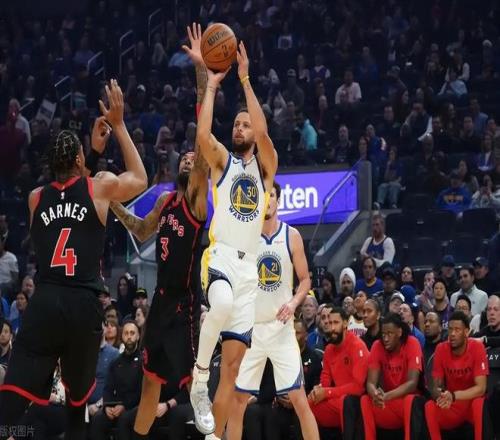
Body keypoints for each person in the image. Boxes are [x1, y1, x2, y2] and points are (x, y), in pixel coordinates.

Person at [0, 79, 147, 440]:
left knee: (11, 405)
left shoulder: (35, 198)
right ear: (80, 160)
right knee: (76, 407)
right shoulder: (99, 186)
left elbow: (67, 193)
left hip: (46, 302)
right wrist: (118, 125)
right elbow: (139, 178)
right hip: (83, 305)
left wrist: (88, 156)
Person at [110, 23, 210, 440]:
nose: (188, 158)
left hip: (186, 301)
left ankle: (210, 424)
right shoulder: (166, 202)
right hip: (160, 302)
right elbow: (139, 229)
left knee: (193, 382)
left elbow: (202, 134)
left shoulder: (196, 200)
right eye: (183, 157)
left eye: (192, 158)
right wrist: (112, 204)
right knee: (150, 383)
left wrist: (201, 69)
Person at [191, 40, 278, 439]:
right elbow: (203, 133)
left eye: (245, 125)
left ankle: (214, 436)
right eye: (237, 124)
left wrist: (244, 79)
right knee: (221, 303)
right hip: (221, 257)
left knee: (232, 371)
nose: (240, 128)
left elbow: (264, 132)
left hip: (250, 272)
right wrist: (211, 85)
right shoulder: (222, 161)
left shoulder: (266, 168)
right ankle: (198, 375)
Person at [227, 181, 319, 440]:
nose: (267, 200)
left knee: (299, 398)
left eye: (271, 195)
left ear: (278, 200)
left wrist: (293, 303)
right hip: (252, 329)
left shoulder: (291, 236)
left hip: (281, 329)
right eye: (262, 196)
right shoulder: (245, 238)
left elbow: (305, 280)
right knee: (238, 401)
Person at [425, 311, 492, 440]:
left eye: (457, 330)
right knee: (430, 406)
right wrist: (440, 396)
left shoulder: (477, 347)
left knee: (479, 404)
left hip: (471, 403)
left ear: (466, 332)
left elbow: (481, 388)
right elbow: (436, 385)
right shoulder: (441, 349)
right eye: (450, 329)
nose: (452, 334)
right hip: (452, 404)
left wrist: (454, 395)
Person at [361, 313, 425, 440]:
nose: (385, 338)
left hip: (407, 401)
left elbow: (412, 383)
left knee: (410, 400)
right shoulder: (377, 345)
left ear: (399, 332)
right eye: (383, 334)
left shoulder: (412, 343)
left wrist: (387, 396)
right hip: (387, 400)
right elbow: (370, 383)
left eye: (389, 334)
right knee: (365, 400)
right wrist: (375, 394)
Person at [308, 307, 369, 439]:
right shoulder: (329, 349)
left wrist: (327, 392)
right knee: (307, 403)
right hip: (337, 398)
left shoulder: (357, 346)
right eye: (329, 323)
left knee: (346, 402)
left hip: (356, 401)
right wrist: (319, 390)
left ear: (345, 323)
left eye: (336, 323)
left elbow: (358, 388)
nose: (332, 328)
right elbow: (325, 378)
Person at [90, 321, 143, 440]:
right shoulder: (115, 362)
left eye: (132, 333)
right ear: (122, 336)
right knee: (98, 419)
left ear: (138, 336)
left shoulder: (143, 361)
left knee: (124, 419)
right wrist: (107, 406)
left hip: (134, 406)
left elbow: (141, 391)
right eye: (126, 333)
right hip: (115, 406)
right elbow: (108, 388)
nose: (129, 337)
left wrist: (124, 405)